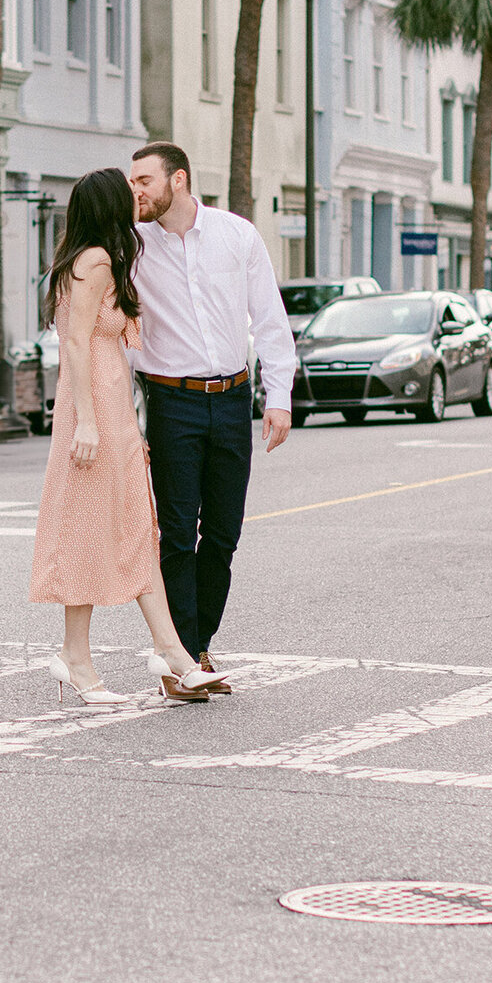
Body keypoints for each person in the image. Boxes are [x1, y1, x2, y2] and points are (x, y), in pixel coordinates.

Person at [28, 167, 227, 705]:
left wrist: (119, 422)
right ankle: (108, 656)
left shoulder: (96, 259)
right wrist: (90, 421)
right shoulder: (94, 262)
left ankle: (161, 653)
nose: (136, 198)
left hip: (111, 413)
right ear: (110, 205)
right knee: (93, 531)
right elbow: (74, 343)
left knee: (132, 530)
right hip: (93, 416)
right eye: (128, 192)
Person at [127, 142, 296, 686]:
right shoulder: (130, 246)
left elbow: (269, 317)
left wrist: (279, 398)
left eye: (144, 181)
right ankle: (186, 660)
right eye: (132, 182)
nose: (137, 191)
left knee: (222, 533)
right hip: (170, 401)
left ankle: (196, 646)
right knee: (176, 534)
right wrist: (128, 416)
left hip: (231, 399)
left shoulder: (236, 235)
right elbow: (118, 332)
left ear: (178, 180)